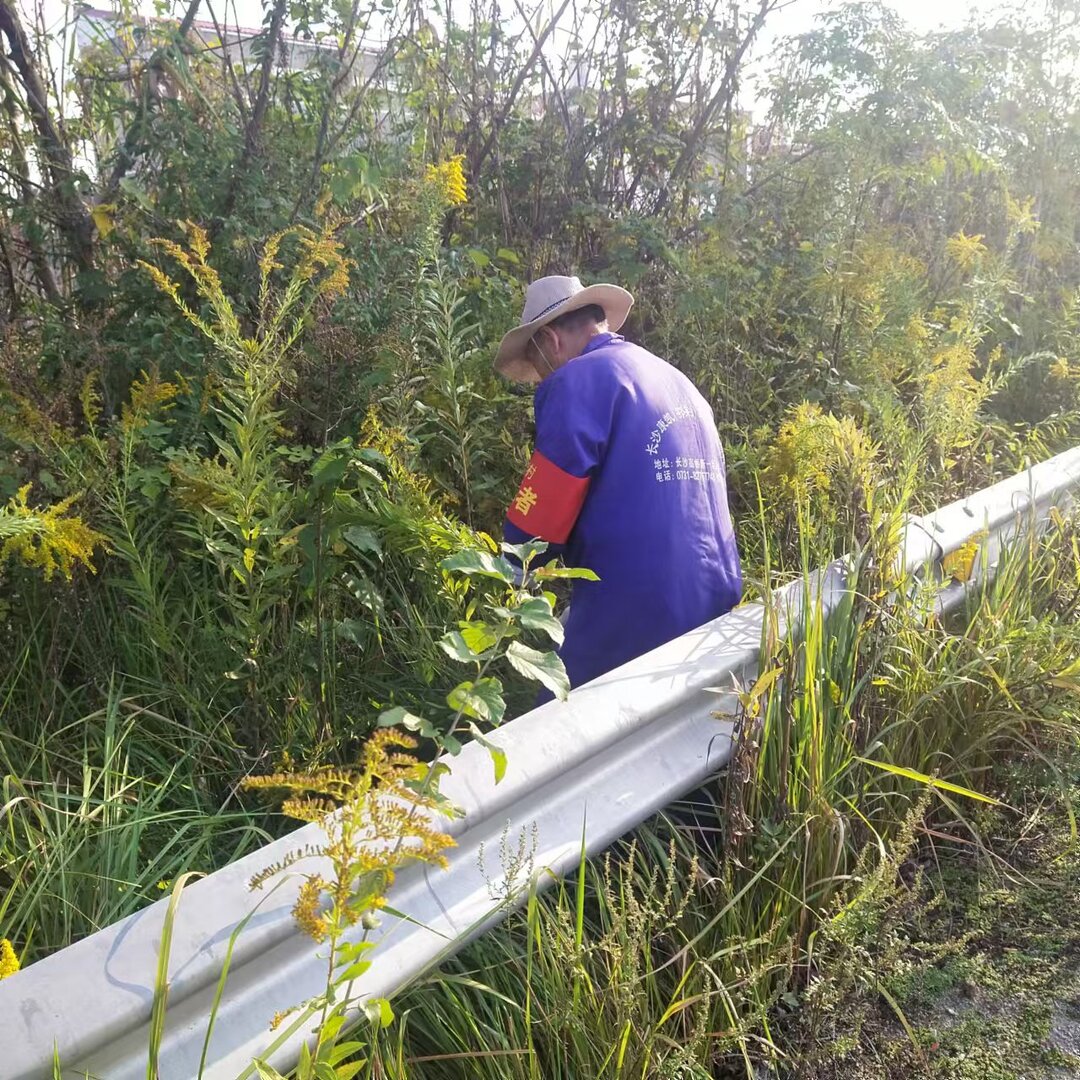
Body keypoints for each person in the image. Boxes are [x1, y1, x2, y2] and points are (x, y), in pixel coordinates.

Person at [495, 274, 742, 695]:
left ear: (551, 340)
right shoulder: (679, 383)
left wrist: (505, 572)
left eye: (537, 368)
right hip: (719, 602)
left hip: (641, 607)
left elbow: (541, 518)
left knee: (549, 714)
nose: (541, 379)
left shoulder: (579, 379)